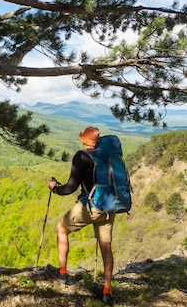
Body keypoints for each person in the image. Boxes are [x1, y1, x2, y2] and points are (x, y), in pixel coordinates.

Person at [48, 126, 114, 305]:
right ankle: (107, 289)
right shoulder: (108, 154)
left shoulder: (81, 156)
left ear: (84, 140)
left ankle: (62, 272)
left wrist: (55, 189)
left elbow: (71, 186)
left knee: (61, 229)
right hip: (109, 208)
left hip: (89, 207)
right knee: (106, 247)